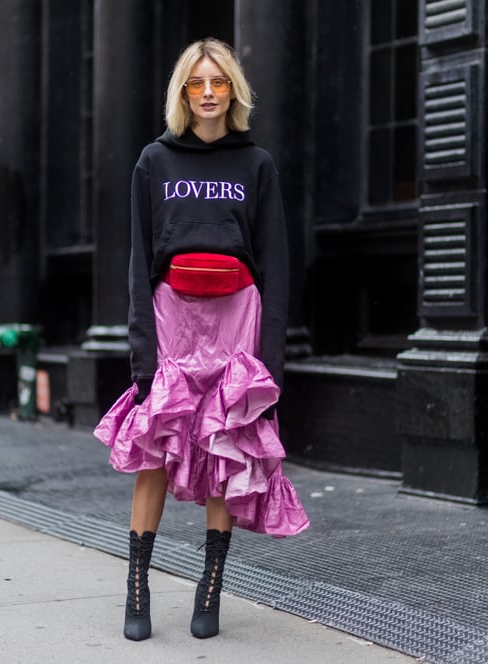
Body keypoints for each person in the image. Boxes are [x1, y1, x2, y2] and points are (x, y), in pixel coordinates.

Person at [94, 37, 309, 642]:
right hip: (172, 320)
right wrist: (141, 355)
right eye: (197, 83)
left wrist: (271, 363)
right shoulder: (153, 163)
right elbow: (140, 263)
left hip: (239, 317)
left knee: (226, 452)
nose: (209, 93)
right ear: (183, 93)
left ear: (233, 91)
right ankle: (137, 589)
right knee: (156, 449)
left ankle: (209, 590)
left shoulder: (256, 164)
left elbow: (276, 265)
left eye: (219, 82)